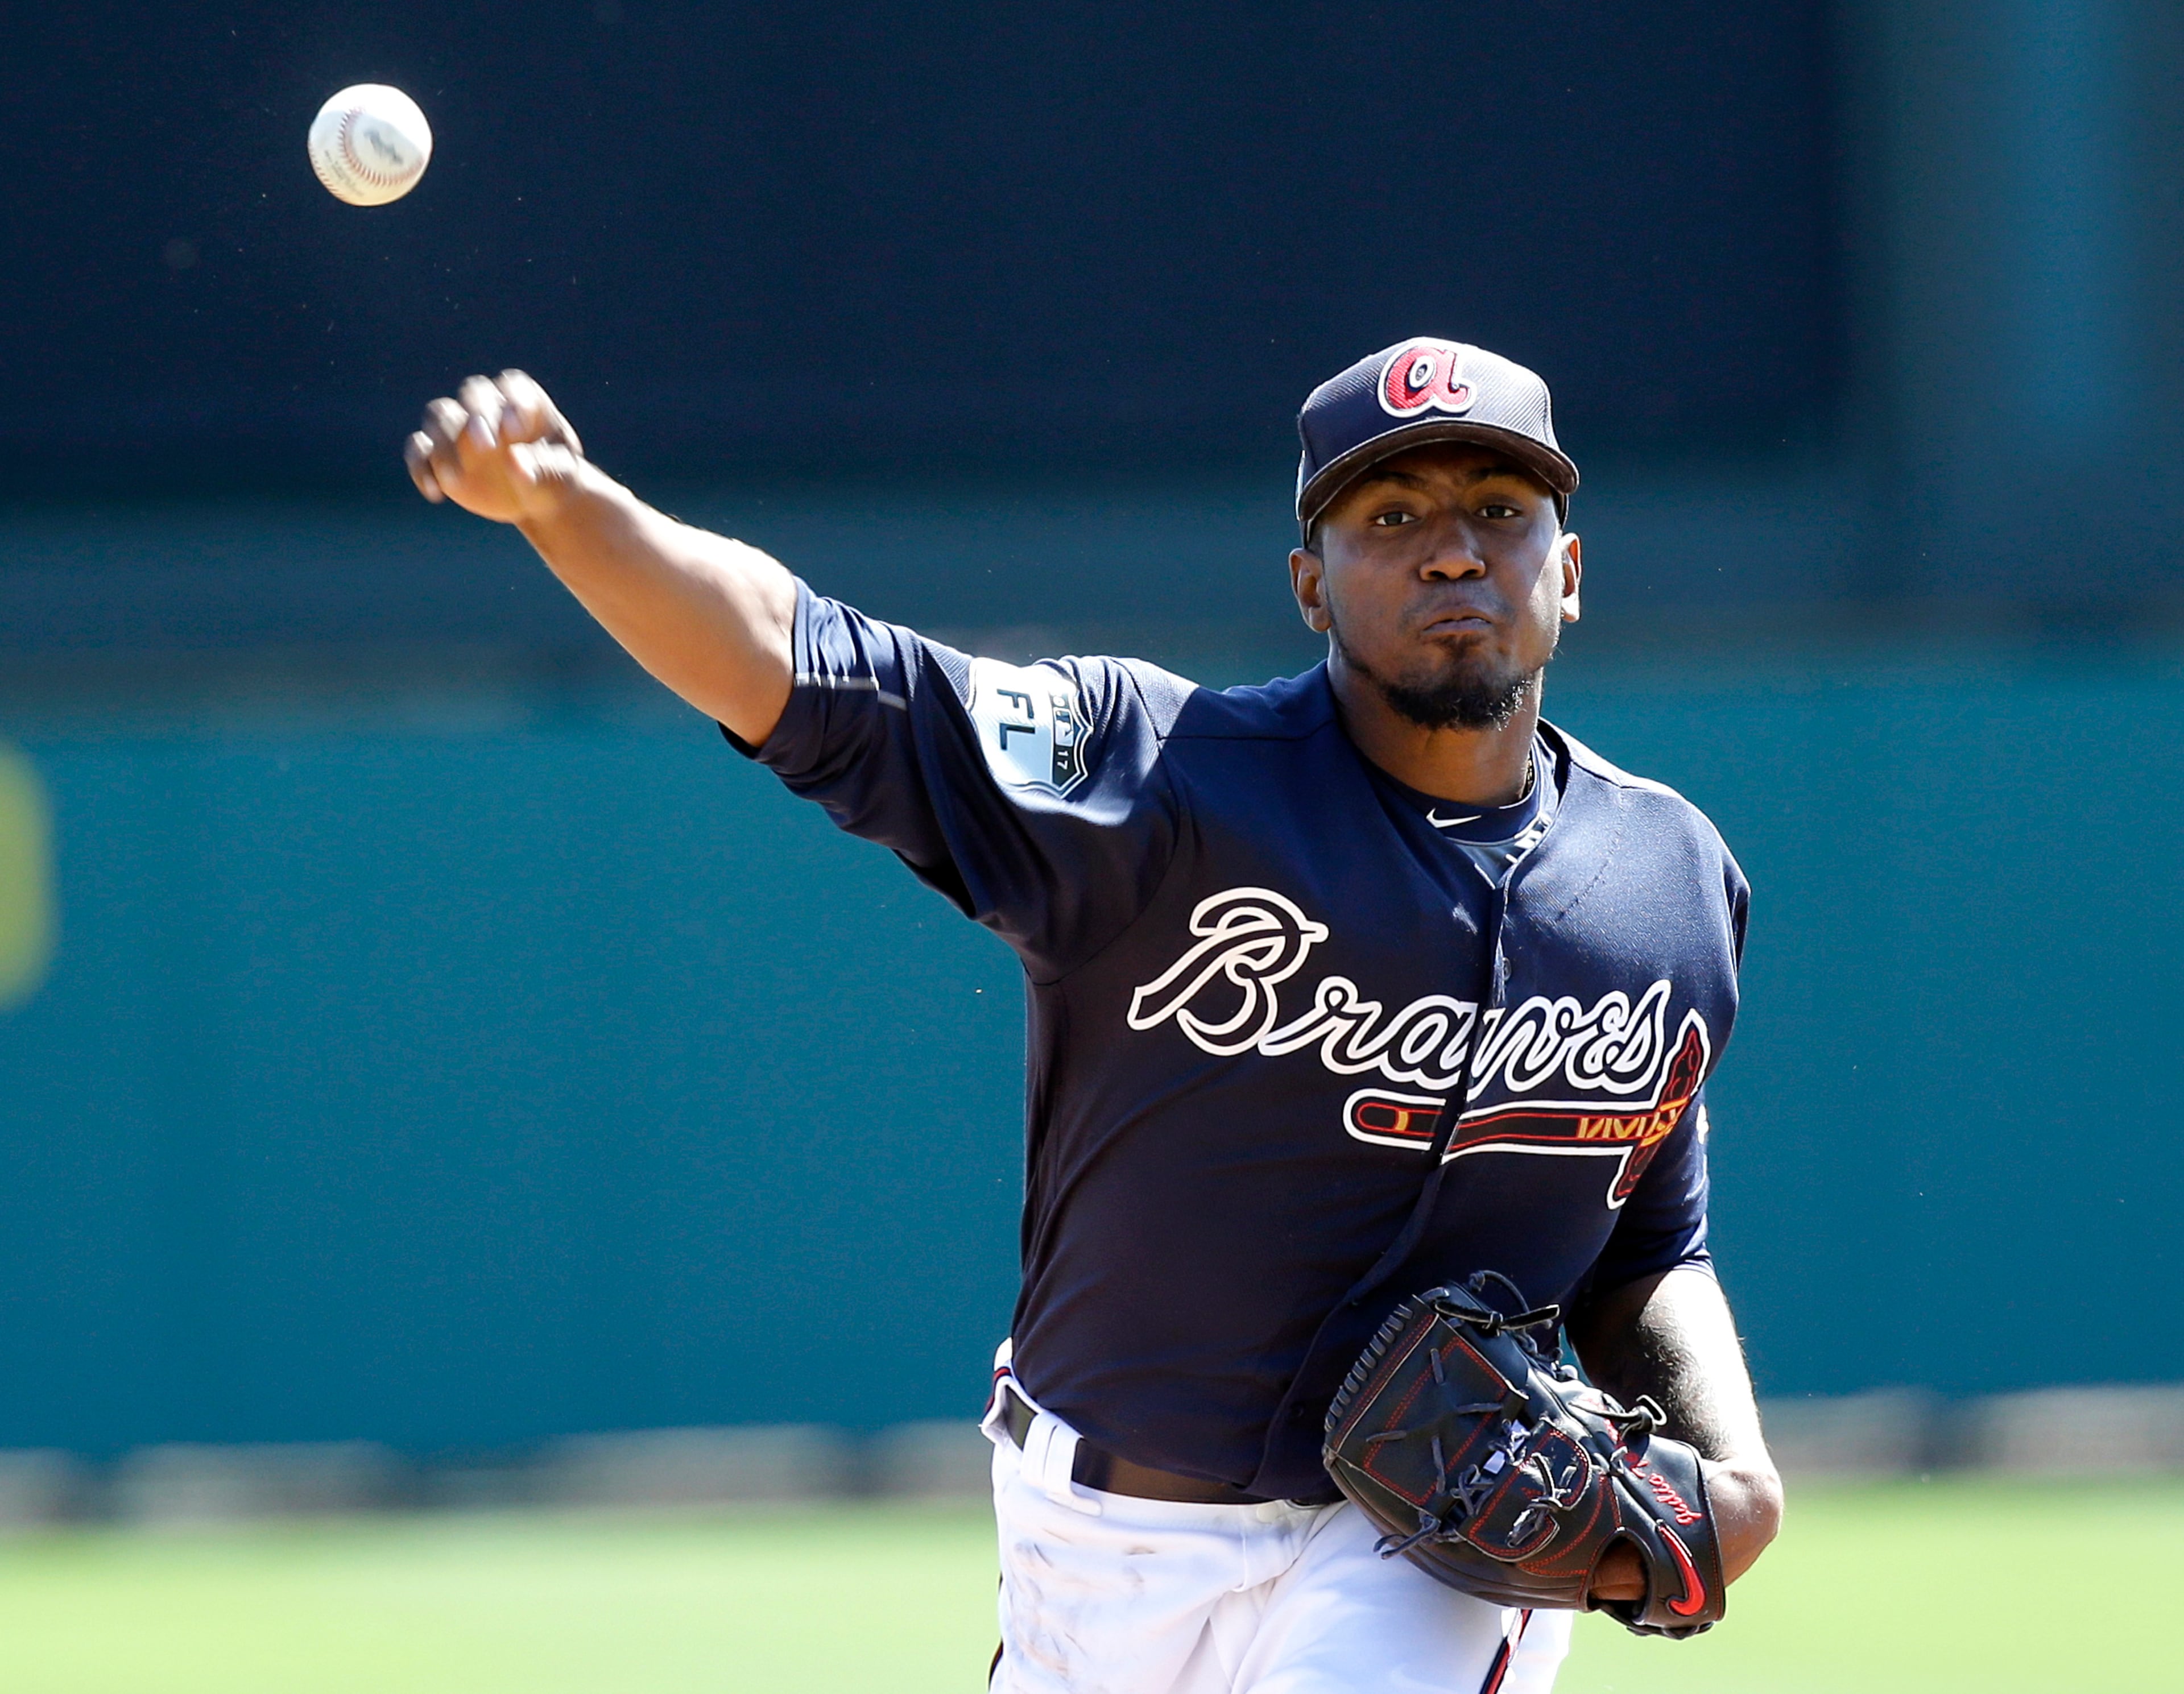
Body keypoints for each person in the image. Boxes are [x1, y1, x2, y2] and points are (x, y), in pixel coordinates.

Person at [404, 338, 1782, 1693]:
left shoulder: (1667, 884)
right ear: (1310, 582)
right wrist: (570, 511)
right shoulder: (1159, 778)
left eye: (1499, 509)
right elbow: (820, 675)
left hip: (1426, 1552)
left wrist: (1738, 1474)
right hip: (1101, 1540)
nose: (1451, 549)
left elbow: (1648, 1242)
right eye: (1390, 514)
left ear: (1571, 569)